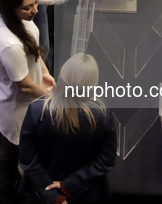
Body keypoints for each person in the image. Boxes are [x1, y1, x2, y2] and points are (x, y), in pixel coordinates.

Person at [0, 0, 56, 204]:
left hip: (19, 98)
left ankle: (9, 184)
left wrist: (44, 73)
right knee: (12, 149)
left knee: (10, 146)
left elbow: (33, 50)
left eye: (36, 3)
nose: (35, 10)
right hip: (15, 106)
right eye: (28, 7)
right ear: (11, 6)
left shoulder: (13, 18)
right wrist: (52, 96)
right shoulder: (11, 45)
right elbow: (24, 85)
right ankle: (6, 191)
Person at [19, 53, 117, 204]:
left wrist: (52, 195)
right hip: (86, 193)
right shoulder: (102, 115)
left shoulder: (36, 110)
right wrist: (68, 185)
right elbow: (105, 161)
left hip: (40, 195)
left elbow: (27, 158)